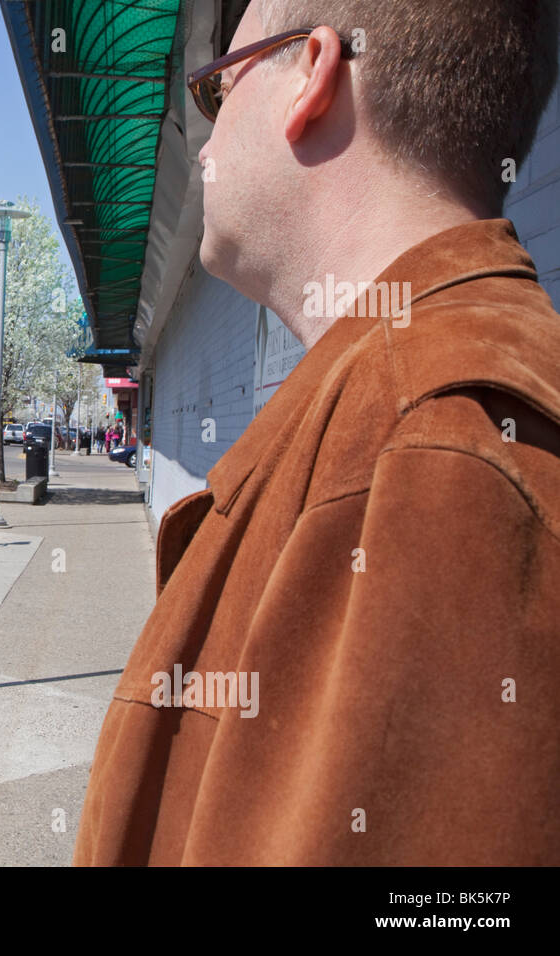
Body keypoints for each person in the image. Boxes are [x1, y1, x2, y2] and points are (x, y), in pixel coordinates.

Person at [76, 0, 560, 865]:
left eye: (217, 92)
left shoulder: (437, 445)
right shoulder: (394, 405)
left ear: (313, 73)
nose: (204, 144)